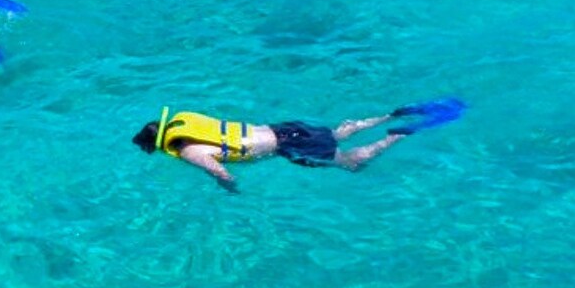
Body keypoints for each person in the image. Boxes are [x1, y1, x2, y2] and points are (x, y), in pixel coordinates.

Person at [131, 101, 464, 191]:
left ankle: (397, 135)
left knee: (351, 163)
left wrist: (229, 190)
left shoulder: (188, 150)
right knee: (334, 135)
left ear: (158, 145)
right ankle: (389, 115)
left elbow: (222, 173)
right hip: (285, 128)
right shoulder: (185, 119)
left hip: (287, 147)